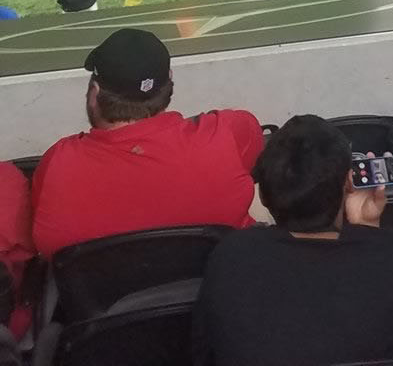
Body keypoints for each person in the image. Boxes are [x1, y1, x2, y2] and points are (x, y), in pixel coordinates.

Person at [192, 113, 393, 366]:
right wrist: (368, 228)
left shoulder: (233, 254)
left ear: (264, 195)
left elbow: (203, 350)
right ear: (348, 183)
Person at [30, 28, 264, 255]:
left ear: (95, 91)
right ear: (169, 80)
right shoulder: (229, 132)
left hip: (105, 293)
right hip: (218, 287)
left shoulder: (59, 163)